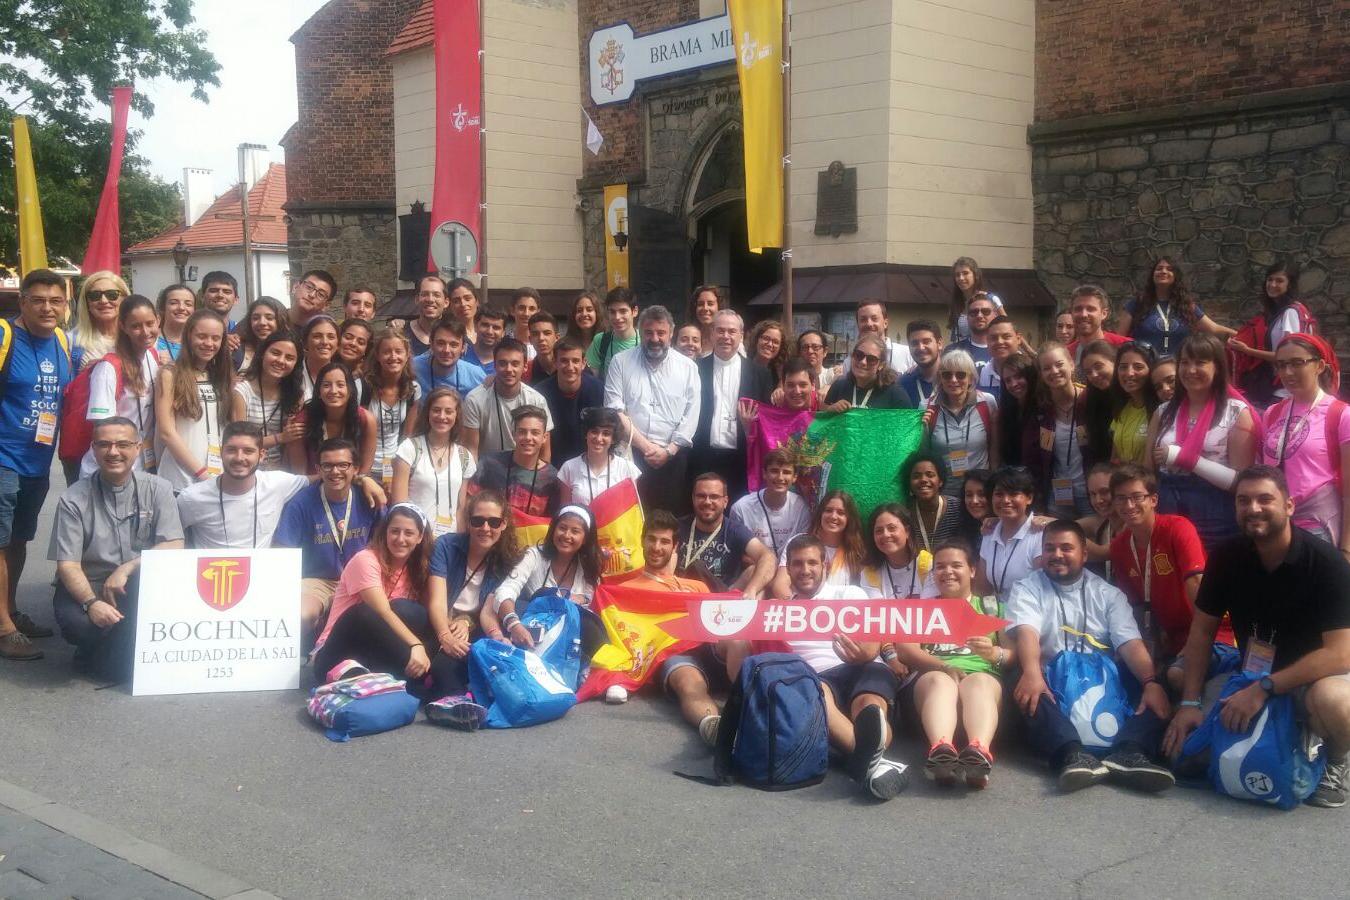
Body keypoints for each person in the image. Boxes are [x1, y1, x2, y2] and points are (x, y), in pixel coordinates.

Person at [1162, 465, 1350, 808]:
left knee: (1334, 702)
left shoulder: (1327, 563)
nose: (1253, 509)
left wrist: (1264, 689)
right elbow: (1202, 631)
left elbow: (1340, 654)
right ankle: (1280, 726)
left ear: (1289, 506)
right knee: (1187, 746)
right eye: (1243, 501)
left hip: (1312, 676)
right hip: (1251, 670)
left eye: (1265, 499)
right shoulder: (1225, 556)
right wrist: (1189, 704)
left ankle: (1336, 760)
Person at [729, 534, 910, 800]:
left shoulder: (849, 593)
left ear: (824, 565)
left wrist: (862, 654)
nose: (805, 570)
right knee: (817, 693)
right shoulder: (777, 611)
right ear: (787, 568)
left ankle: (867, 755)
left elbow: (871, 647)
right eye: (798, 564)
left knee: (869, 705)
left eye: (812, 563)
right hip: (816, 678)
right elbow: (738, 646)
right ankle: (876, 763)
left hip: (864, 666)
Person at [1006, 520, 1175, 793]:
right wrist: (1033, 673)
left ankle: (1130, 752)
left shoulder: (1108, 594)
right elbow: (1027, 633)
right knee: (1021, 677)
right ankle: (1071, 754)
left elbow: (1130, 644)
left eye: (1066, 548)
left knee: (1156, 681)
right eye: (1049, 548)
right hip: (1050, 681)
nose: (1056, 555)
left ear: (1084, 554)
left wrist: (1150, 682)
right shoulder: (1027, 587)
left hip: (1103, 684)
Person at [48, 418, 182, 679]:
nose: (113, 452)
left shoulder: (159, 489)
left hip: (138, 581)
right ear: (93, 449)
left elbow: (174, 543)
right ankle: (96, 648)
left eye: (122, 444)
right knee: (80, 625)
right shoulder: (73, 499)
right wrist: (91, 603)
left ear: (138, 447)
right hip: (90, 584)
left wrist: (128, 566)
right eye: (104, 444)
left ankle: (119, 649)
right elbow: (68, 565)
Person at [0, 270, 74, 659]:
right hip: (2, 457)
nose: (47, 307)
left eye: (55, 301)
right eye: (38, 300)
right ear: (23, 302)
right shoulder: (4, 335)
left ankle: (9, 611)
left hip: (37, 460)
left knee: (18, 539)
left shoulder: (62, 340)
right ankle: (3, 628)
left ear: (64, 305)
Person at [894, 541, 1005, 789]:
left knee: (978, 681)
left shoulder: (992, 607)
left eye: (956, 565)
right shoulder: (922, 609)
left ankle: (979, 752)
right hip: (932, 685)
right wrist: (943, 666)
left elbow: (1013, 654)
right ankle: (940, 749)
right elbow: (905, 648)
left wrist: (993, 652)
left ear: (972, 570)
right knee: (940, 681)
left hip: (982, 680)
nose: (948, 572)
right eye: (940, 567)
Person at [1106, 464, 1221, 682]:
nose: (1129, 505)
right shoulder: (1119, 546)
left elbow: (1197, 585)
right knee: (1120, 671)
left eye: (1137, 496)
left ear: (1154, 500)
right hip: (1164, 638)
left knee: (1177, 676)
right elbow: (1133, 606)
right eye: (1120, 498)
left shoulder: (1177, 528)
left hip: (1207, 635)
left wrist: (1196, 641)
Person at [1145, 333, 1258, 551]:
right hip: (1168, 504)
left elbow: (1241, 482)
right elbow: (1147, 470)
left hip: (1215, 509)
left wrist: (1186, 459)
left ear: (1217, 367)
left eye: (1200, 362)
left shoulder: (1236, 413)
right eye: (1185, 363)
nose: (1190, 370)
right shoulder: (1163, 412)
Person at [310, 503, 438, 694]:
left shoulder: (418, 569)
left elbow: (431, 613)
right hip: (337, 652)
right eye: (394, 531)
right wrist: (416, 645)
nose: (400, 539)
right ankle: (423, 676)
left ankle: (419, 676)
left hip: (375, 651)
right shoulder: (366, 559)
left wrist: (460, 624)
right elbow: (381, 611)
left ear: (420, 537)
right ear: (385, 533)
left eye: (408, 533)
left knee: (415, 613)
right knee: (365, 612)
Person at [421, 491, 522, 727]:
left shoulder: (506, 559)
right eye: (478, 521)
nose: (485, 528)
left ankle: (460, 699)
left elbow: (487, 611)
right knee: (442, 660)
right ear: (468, 522)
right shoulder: (446, 545)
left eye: (494, 522)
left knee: (447, 664)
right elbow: (436, 600)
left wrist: (469, 623)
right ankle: (457, 699)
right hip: (439, 622)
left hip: (475, 627)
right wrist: (446, 634)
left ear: (504, 524)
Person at [273, 438, 382, 647]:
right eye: (328, 465)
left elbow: (383, 542)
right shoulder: (301, 503)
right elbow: (282, 552)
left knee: (378, 614)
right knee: (302, 614)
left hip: (358, 579)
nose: (335, 472)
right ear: (318, 469)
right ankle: (297, 660)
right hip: (317, 580)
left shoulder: (368, 498)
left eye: (343, 465)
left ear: (356, 468)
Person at [603, 304, 700, 516]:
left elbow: (692, 414)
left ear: (671, 334)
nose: (655, 338)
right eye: (649, 332)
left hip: (674, 457)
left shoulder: (688, 367)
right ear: (640, 332)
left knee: (670, 519)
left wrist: (668, 451)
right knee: (632, 516)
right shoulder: (620, 362)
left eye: (661, 333)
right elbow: (614, 410)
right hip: (631, 454)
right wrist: (647, 447)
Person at [628, 510, 721, 722]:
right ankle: (712, 727)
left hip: (710, 647)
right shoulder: (626, 590)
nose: (657, 547)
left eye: (664, 541)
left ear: (674, 546)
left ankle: (757, 711)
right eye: (651, 539)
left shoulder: (697, 586)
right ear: (642, 542)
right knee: (690, 683)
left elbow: (718, 624)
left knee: (737, 640)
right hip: (674, 653)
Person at [1259, 333, 1349, 551]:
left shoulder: (1341, 415)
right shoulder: (1272, 413)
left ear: (1319, 366)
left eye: (1297, 363)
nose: (1288, 372)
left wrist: (1347, 547)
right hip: (1273, 524)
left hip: (1315, 526)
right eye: (1281, 365)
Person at [481, 505, 603, 653]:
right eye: (562, 528)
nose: (566, 535)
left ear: (585, 539)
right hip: (527, 637)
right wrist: (514, 625)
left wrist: (580, 599)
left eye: (575, 531)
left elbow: (589, 601)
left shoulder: (588, 567)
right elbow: (506, 590)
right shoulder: (534, 556)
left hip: (567, 648)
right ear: (553, 530)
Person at [176, 422, 309, 549]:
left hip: (260, 570)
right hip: (214, 571)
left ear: (261, 455)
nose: (239, 458)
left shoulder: (278, 483)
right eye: (231, 450)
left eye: (248, 451)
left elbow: (323, 478)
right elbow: (170, 537)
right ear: (221, 453)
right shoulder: (191, 498)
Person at [692, 310, 775, 498]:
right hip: (703, 456)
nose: (726, 337)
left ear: (741, 335)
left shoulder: (760, 374)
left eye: (731, 331)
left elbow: (767, 422)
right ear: (711, 333)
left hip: (742, 458)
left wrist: (749, 427)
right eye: (720, 331)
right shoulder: (695, 369)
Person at [153, 310, 234, 492]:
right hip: (180, 479)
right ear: (188, 336)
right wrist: (201, 474)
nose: (209, 343)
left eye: (216, 338)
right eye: (202, 336)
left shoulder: (223, 376)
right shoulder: (169, 374)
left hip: (219, 476)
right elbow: (166, 432)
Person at [81, 295, 160, 478]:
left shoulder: (153, 357)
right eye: (135, 326)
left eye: (150, 323)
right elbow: (102, 426)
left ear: (158, 321)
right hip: (110, 467)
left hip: (143, 463)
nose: (145, 331)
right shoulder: (108, 367)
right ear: (123, 327)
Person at [676, 473, 777, 595]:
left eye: (714, 497)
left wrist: (752, 590)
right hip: (683, 593)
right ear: (693, 499)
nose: (707, 502)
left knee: (754, 572)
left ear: (725, 501)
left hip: (723, 598)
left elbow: (768, 557)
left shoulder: (735, 530)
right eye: (701, 496)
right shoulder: (677, 527)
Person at [392, 388, 474, 537]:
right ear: (427, 413)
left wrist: (459, 541)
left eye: (449, 411)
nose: (442, 416)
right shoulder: (409, 449)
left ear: (457, 415)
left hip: (449, 542)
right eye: (436, 410)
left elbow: (460, 508)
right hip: (416, 538)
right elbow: (399, 504)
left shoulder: (465, 457)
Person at [1229, 259, 1310, 407]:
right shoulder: (1284, 312)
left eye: (1279, 281)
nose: (1272, 285)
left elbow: (1289, 356)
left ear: (1289, 285)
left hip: (1286, 390)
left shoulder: (1290, 313)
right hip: (1282, 385)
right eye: (1270, 279)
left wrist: (1247, 351)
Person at [1118, 256, 1233, 356]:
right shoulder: (1137, 304)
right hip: (1146, 369)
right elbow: (1119, 339)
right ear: (1152, 275)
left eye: (1169, 269)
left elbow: (1214, 329)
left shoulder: (1186, 306)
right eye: (1159, 269)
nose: (1163, 271)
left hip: (1178, 369)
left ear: (1175, 276)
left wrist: (1245, 335)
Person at [462, 338, 554, 458]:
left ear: (525, 367)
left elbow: (545, 452)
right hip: (487, 471)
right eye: (502, 363)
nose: (509, 369)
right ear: (494, 365)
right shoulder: (475, 400)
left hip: (526, 471)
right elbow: (471, 450)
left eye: (515, 364)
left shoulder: (537, 400)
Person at [923, 349, 998, 496]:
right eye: (947, 375)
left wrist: (994, 484)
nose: (953, 380)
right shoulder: (927, 407)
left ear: (970, 378)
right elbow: (924, 452)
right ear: (940, 378)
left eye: (961, 374)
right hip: (944, 493)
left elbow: (995, 449)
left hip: (981, 493)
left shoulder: (987, 402)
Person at [768, 489, 867, 596]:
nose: (833, 516)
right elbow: (780, 585)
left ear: (849, 519)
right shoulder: (799, 543)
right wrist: (799, 609)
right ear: (820, 514)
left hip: (842, 611)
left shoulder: (856, 552)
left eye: (841, 513)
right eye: (828, 510)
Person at [470, 405, 560, 519]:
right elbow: (470, 504)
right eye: (522, 431)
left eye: (535, 432)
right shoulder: (489, 464)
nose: (528, 437)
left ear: (544, 437)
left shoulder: (552, 478)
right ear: (513, 434)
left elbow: (551, 522)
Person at [289, 362, 378, 477]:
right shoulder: (302, 421)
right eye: (326, 385)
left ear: (350, 390)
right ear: (319, 392)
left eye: (340, 385)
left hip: (353, 484)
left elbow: (364, 471)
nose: (333, 391)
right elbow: (299, 475)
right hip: (311, 485)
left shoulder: (366, 419)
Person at [232, 331, 305, 470]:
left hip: (281, 472)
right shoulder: (242, 391)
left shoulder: (296, 395)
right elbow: (240, 441)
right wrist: (281, 437)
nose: (281, 361)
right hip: (247, 469)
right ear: (262, 354)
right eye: (275, 353)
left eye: (289, 357)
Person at [1035, 342, 1093, 518]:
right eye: (1046, 368)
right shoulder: (1041, 411)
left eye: (1059, 364)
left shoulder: (1089, 401)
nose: (1054, 371)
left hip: (1090, 494)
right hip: (1057, 495)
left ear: (1071, 364)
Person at [729, 448, 811, 563]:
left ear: (794, 477)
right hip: (754, 568)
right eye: (774, 471)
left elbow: (803, 550)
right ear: (764, 474)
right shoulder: (741, 508)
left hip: (788, 571)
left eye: (786, 472)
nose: (780, 477)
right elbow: (737, 552)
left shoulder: (801, 507)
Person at [365, 329, 421, 490]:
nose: (393, 357)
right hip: (366, 467)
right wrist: (363, 474)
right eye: (387, 352)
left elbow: (407, 436)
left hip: (396, 466)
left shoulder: (413, 389)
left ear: (407, 354)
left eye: (398, 351)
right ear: (377, 355)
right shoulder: (364, 388)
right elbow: (356, 431)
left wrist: (399, 472)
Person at [536, 337, 604, 466]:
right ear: (555, 362)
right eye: (564, 361)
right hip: (553, 463)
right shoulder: (540, 394)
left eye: (575, 361)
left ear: (583, 363)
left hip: (589, 463)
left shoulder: (598, 390)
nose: (570, 367)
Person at [977, 466, 1041, 603]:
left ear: (1029, 498)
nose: (1006, 500)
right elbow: (982, 589)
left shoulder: (1040, 535)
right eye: (999, 494)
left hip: (1029, 616)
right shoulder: (988, 532)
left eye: (1013, 494)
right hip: (995, 614)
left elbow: (1043, 590)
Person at [557, 406, 640, 507]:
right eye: (594, 431)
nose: (599, 438)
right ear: (586, 434)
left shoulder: (627, 468)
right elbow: (565, 512)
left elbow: (632, 511)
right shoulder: (569, 468)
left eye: (606, 433)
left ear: (613, 439)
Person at [823, 333, 912, 411]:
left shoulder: (895, 394)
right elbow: (823, 421)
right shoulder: (838, 387)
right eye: (859, 355)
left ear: (881, 365)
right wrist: (830, 410)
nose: (863, 362)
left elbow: (907, 427)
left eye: (871, 359)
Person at [860, 502, 927, 600]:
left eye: (892, 528)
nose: (886, 535)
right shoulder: (869, 573)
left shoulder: (929, 565)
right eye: (879, 531)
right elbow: (877, 612)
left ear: (907, 531)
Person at [1108, 340, 1161, 465]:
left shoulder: (1161, 411)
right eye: (1123, 367)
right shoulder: (1122, 408)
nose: (1129, 373)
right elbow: (1114, 458)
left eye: (1138, 367)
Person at [411, 318, 486, 399]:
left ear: (463, 348)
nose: (446, 350)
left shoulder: (476, 376)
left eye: (454, 345)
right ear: (431, 344)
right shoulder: (412, 368)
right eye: (441, 343)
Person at [906, 453, 962, 555]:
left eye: (930, 475)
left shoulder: (958, 508)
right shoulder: (905, 514)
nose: (923, 480)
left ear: (940, 481)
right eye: (916, 476)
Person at [71, 271, 127, 371]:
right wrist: (86, 374)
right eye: (95, 295)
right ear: (87, 302)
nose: (103, 301)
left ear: (124, 298)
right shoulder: (71, 341)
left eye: (112, 294)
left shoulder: (138, 336)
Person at [1065, 285, 1129, 365]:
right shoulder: (1066, 354)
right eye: (1078, 309)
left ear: (1104, 314)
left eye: (1090, 309)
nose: (1083, 314)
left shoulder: (1125, 347)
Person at [996, 352, 1040, 468]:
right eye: (1008, 380)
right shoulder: (1005, 411)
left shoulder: (1044, 408)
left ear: (1029, 376)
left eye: (1018, 377)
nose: (1013, 384)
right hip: (1012, 477)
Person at [1080, 339, 1117, 474]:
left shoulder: (1133, 398)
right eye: (1088, 372)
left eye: (1099, 366)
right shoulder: (1090, 401)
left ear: (1115, 362)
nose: (1094, 375)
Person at [586, 286, 639, 380]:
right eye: (612, 312)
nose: (617, 317)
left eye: (623, 311)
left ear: (634, 311)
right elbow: (593, 379)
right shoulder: (600, 341)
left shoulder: (645, 341)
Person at [949, 256, 1005, 343]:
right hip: (963, 353)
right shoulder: (956, 303)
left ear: (975, 275)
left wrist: (1029, 352)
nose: (961, 278)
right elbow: (954, 338)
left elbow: (1009, 328)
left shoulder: (990, 299)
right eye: (957, 275)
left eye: (965, 273)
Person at [854, 300, 914, 374]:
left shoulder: (908, 354)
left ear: (885, 323)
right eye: (863, 320)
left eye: (874, 318)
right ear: (858, 325)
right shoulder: (851, 361)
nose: (869, 324)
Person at [948, 293, 998, 378]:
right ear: (967, 317)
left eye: (985, 311)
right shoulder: (951, 351)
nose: (979, 315)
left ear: (995, 315)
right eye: (974, 312)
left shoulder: (1005, 349)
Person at [232, 296, 285, 373]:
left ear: (281, 320)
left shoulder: (289, 350)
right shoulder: (235, 347)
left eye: (269, 318)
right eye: (256, 318)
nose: (262, 323)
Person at [898, 320, 942, 407]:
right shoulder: (903, 384)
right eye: (914, 343)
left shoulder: (955, 379)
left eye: (926, 341)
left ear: (939, 344)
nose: (921, 348)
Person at [975, 314, 1019, 398]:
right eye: (994, 338)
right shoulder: (979, 375)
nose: (999, 342)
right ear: (987, 342)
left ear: (1018, 338)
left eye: (1006, 337)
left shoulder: (1032, 369)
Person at [400, 275, 444, 358]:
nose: (430, 299)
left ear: (446, 302)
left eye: (436, 295)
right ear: (417, 299)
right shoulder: (401, 333)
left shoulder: (454, 334)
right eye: (425, 294)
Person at [298, 314, 339, 401]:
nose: (324, 342)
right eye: (317, 336)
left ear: (338, 344)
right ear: (305, 342)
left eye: (331, 337)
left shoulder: (343, 376)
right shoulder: (292, 373)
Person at [154, 282, 193, 363]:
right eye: (173, 303)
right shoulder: (149, 339)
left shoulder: (197, 342)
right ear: (163, 308)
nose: (181, 308)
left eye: (188, 304)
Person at [686, 284, 728, 358]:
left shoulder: (727, 338)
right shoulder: (686, 336)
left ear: (719, 307)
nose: (705, 308)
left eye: (710, 304)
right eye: (700, 304)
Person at [957, 469, 993, 551]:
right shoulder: (964, 529)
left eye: (982, 494)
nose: (974, 501)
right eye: (969, 495)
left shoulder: (1005, 527)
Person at [463, 307, 507, 374]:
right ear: (475, 327)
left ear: (503, 333)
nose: (490, 332)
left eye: (496, 328)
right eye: (485, 325)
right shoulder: (461, 354)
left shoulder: (507, 364)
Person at [747, 318, 789, 384]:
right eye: (766, 338)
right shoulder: (742, 367)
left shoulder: (780, 376)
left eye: (775, 342)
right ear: (756, 340)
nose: (770, 344)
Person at [525, 311, 559, 384]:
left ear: (557, 337)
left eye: (547, 333)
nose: (541, 338)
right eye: (535, 334)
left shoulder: (571, 365)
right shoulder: (525, 372)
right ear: (530, 339)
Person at [445, 277, 479, 348]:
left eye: (467, 299)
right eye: (456, 301)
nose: (463, 304)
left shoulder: (487, 330)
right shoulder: (444, 333)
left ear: (477, 301)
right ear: (449, 305)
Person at [508, 287, 540, 361]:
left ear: (538, 312)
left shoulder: (545, 346)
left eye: (532, 309)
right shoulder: (503, 343)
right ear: (512, 310)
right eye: (521, 308)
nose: (526, 313)